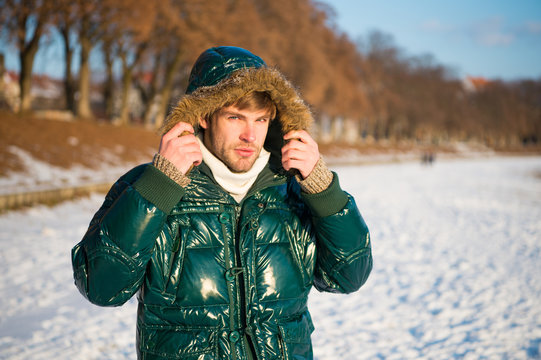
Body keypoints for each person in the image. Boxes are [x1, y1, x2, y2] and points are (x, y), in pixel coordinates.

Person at [72, 46, 372, 360]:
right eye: (235, 117)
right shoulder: (149, 187)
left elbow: (349, 275)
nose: (250, 135)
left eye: (261, 120)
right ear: (203, 115)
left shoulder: (294, 191)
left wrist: (323, 189)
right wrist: (159, 186)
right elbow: (102, 287)